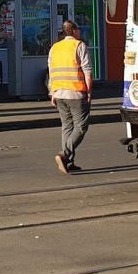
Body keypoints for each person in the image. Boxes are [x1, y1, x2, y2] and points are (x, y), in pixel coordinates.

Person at [47, 18, 93, 175]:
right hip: (76, 92)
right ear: (74, 31)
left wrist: (52, 92)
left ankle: (69, 162)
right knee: (81, 126)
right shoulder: (79, 45)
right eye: (78, 29)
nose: (80, 32)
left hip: (59, 93)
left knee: (67, 126)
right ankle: (64, 155)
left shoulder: (55, 48)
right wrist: (89, 91)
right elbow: (87, 70)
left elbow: (51, 71)